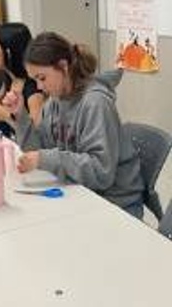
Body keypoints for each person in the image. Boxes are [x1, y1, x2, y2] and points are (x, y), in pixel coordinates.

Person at [18, 31, 145, 218]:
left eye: (42, 78)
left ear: (63, 66)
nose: (39, 87)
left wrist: (45, 159)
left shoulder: (95, 103)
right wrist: (20, 116)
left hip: (115, 204)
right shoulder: (55, 101)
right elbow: (39, 151)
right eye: (35, 80)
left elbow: (101, 172)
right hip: (81, 191)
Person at [0, 23, 44, 148]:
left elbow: (37, 140)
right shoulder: (9, 80)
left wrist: (7, 117)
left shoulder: (33, 89)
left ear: (9, 53)